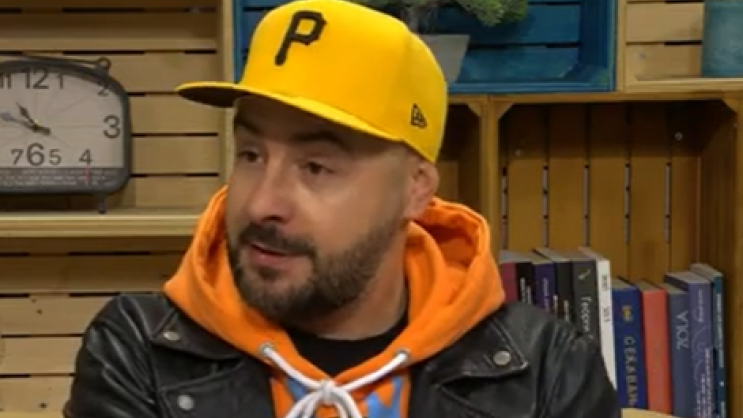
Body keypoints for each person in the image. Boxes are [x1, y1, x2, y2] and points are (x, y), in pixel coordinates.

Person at [64, 0, 620, 417]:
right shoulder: (139, 351)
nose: (261, 203)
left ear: (416, 190)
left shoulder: (547, 372)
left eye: (316, 167)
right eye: (251, 155)